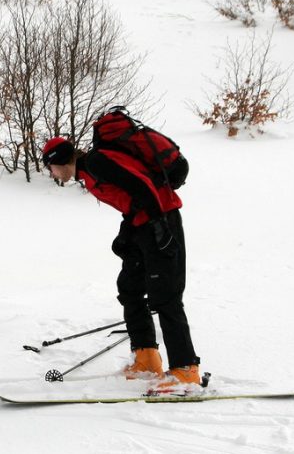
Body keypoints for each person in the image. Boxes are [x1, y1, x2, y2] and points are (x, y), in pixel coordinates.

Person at [41, 126, 202, 388]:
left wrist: (158, 229)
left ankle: (186, 370)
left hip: (161, 223)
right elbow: (131, 198)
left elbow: (145, 187)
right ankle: (146, 359)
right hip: (143, 227)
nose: (52, 174)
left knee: (166, 296)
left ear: (59, 161)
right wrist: (128, 233)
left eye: (51, 168)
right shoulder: (89, 172)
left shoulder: (97, 162)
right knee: (129, 288)